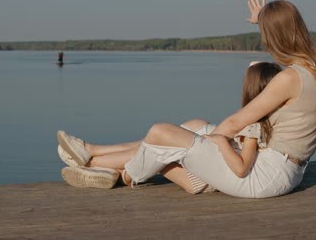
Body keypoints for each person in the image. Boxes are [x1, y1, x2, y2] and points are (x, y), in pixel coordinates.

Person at [57, 0, 316, 198]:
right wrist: (262, 20)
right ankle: (93, 151)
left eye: (266, 35)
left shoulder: (289, 79)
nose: (265, 42)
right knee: (192, 126)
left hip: (264, 177)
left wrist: (204, 142)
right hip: (282, 169)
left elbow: (233, 124)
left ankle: (105, 167)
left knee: (162, 133)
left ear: (275, 38)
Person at [59, 61, 282, 194]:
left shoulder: (254, 125)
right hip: (208, 168)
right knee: (195, 125)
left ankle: (98, 163)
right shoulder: (266, 115)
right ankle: (98, 155)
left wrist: (222, 141)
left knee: (159, 138)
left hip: (202, 178)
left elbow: (241, 168)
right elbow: (256, 70)